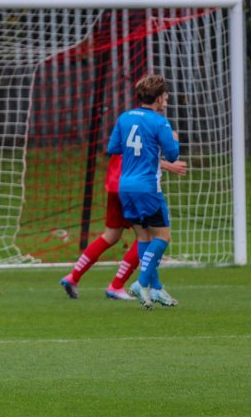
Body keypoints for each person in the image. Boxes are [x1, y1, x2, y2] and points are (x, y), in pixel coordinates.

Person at [61, 114, 187, 301]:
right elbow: (142, 155)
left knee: (110, 235)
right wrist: (169, 164)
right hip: (134, 186)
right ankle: (119, 285)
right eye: (164, 97)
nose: (165, 102)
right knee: (148, 236)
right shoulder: (150, 122)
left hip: (115, 184)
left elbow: (122, 150)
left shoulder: (126, 121)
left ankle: (73, 276)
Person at [106, 73, 180, 309]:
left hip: (125, 186)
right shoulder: (160, 122)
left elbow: (113, 147)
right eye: (165, 96)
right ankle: (142, 282)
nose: (166, 100)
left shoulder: (125, 117)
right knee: (163, 237)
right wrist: (173, 139)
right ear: (158, 98)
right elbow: (173, 155)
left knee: (144, 237)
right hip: (148, 187)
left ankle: (156, 289)